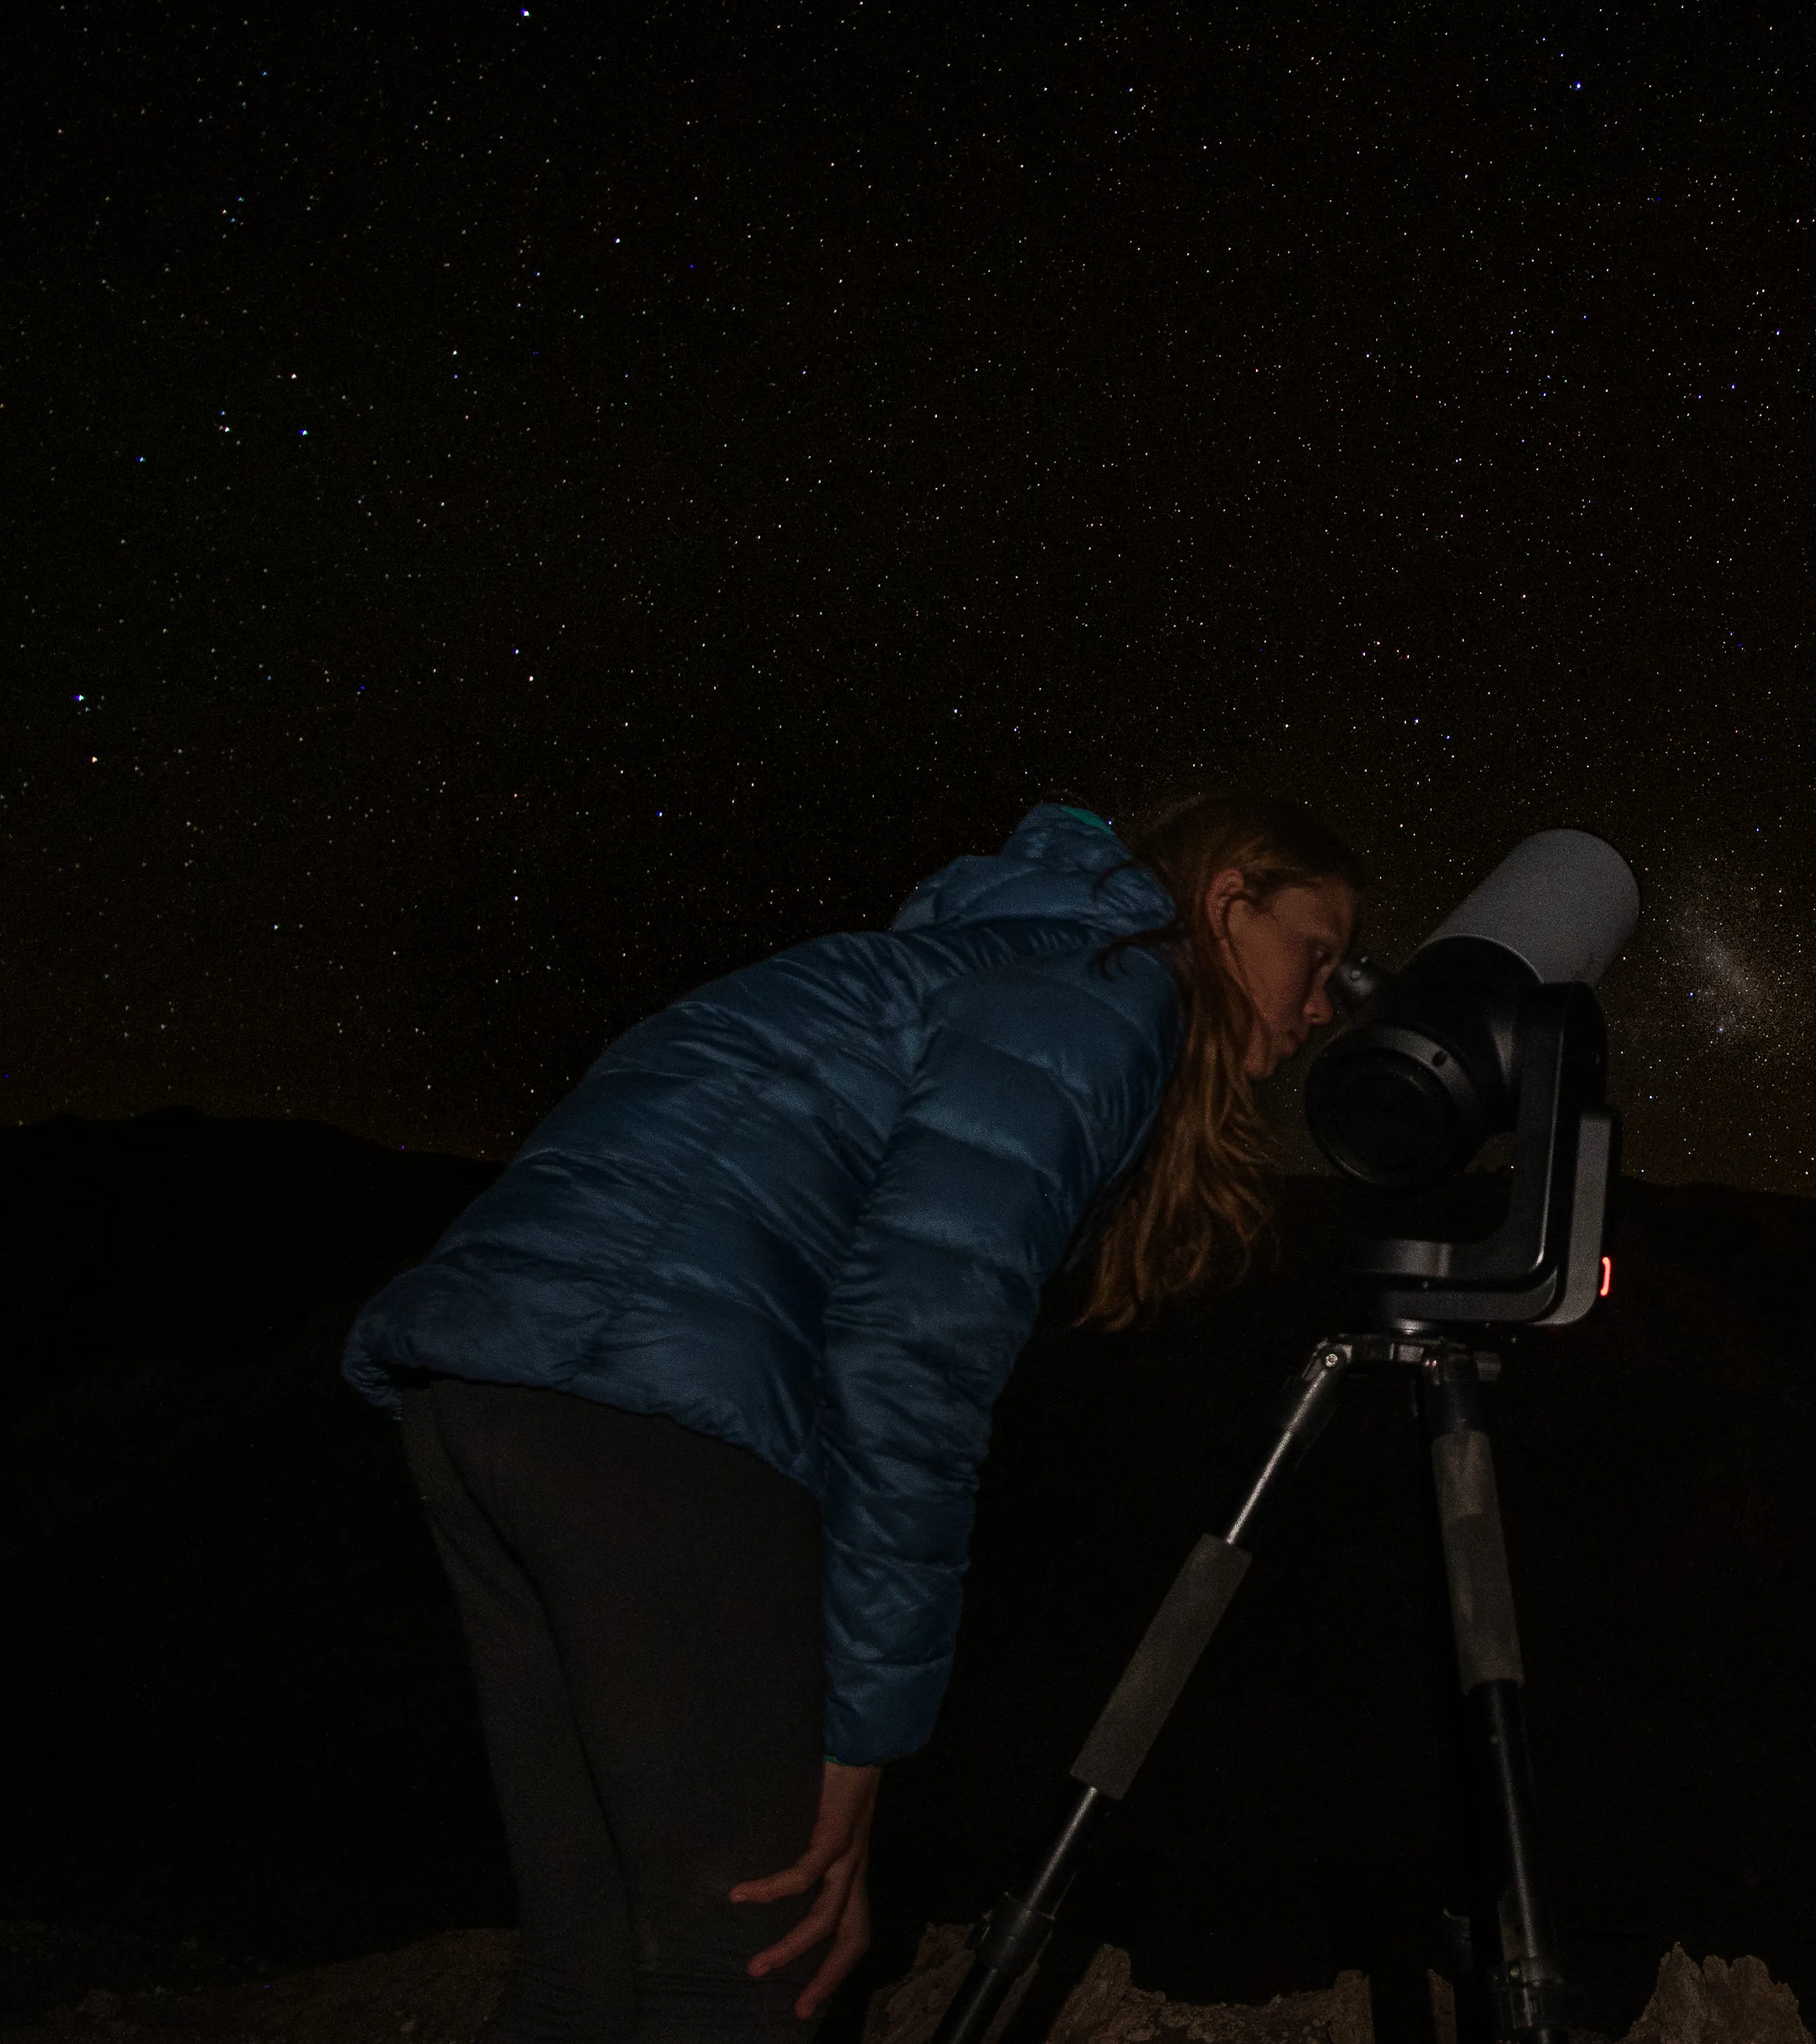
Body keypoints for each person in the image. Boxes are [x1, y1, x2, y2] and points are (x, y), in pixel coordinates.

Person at [342, 792, 1364, 2044]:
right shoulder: (1105, 994)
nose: (1322, 1009)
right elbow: (911, 1349)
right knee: (755, 1965)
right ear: (1226, 903)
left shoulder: (980, 961)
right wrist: (861, 1738)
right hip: (656, 1408)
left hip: (490, 1398)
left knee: (590, 1964)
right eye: (1317, 959)